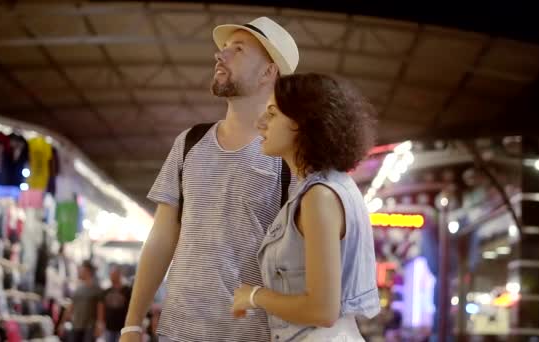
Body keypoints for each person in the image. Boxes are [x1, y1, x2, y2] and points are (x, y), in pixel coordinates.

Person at [120, 16, 299, 342]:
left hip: (249, 336)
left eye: (238, 50)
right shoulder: (190, 143)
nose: (220, 55)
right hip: (175, 332)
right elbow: (162, 238)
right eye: (224, 48)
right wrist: (132, 323)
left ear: (268, 72)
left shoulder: (286, 157)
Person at [232, 73, 381, 341]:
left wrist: (253, 296)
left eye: (273, 114)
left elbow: (322, 310)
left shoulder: (319, 197)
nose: (260, 123)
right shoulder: (333, 186)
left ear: (303, 123)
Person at [58, 260, 101, 342]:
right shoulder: (77, 288)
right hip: (76, 326)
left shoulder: (96, 288)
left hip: (90, 327)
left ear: (87, 271)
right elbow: (71, 306)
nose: (79, 271)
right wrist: (62, 323)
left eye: (82, 269)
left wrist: (99, 325)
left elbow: (100, 308)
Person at [96, 265, 132, 342]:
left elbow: (131, 307)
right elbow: (101, 306)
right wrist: (100, 322)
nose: (112, 277)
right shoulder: (106, 291)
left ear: (119, 275)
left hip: (123, 327)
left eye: (114, 275)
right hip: (109, 326)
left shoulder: (127, 290)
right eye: (111, 275)